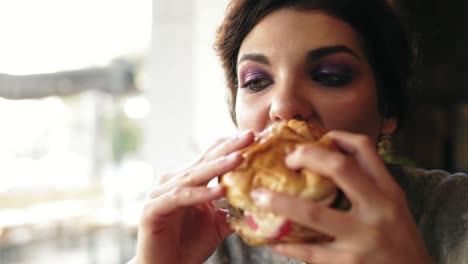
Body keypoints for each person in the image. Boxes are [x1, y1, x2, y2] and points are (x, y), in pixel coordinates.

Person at [130, 0, 468, 263]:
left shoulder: (456, 213)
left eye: (330, 75)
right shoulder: (204, 238)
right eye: (257, 81)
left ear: (389, 106)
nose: (284, 106)